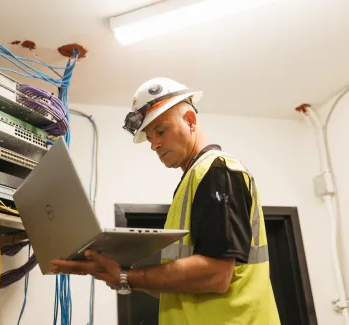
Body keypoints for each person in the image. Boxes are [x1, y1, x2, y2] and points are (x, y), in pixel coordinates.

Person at [49, 78, 281, 325]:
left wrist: (128, 276)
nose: (154, 145)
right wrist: (119, 275)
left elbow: (216, 275)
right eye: (149, 138)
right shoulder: (192, 182)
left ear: (190, 121)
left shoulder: (217, 171)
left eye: (160, 131)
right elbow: (180, 290)